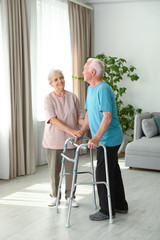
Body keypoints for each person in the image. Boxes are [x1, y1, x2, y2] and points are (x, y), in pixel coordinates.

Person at [76, 58, 128, 220]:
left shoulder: (103, 89)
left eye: (85, 69)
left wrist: (96, 138)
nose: (82, 72)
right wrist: (81, 131)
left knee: (102, 174)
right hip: (104, 139)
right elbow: (89, 114)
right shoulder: (91, 89)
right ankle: (120, 205)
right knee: (112, 171)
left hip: (109, 139)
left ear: (92, 72)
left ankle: (106, 210)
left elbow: (107, 116)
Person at [42, 69, 84, 207]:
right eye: (56, 79)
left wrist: (88, 124)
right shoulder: (48, 99)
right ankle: (55, 195)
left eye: (61, 77)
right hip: (54, 140)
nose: (60, 81)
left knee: (71, 170)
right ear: (51, 84)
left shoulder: (73, 97)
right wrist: (72, 131)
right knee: (54, 171)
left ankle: (70, 197)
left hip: (71, 141)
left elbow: (79, 117)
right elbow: (52, 120)